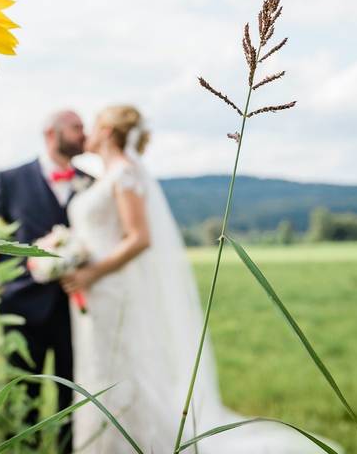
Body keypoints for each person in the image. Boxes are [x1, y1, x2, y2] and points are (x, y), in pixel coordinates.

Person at [61, 104, 338, 453]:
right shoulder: (106, 176)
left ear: (106, 132)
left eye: (92, 125)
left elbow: (139, 237)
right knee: (101, 367)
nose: (86, 133)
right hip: (94, 290)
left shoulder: (125, 174)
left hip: (110, 286)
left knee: (121, 371)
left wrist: (91, 271)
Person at [0, 109, 93, 453]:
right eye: (76, 128)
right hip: (21, 306)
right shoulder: (10, 179)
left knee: (72, 393)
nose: (83, 134)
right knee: (21, 393)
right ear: (51, 133)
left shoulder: (91, 182)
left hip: (76, 307)